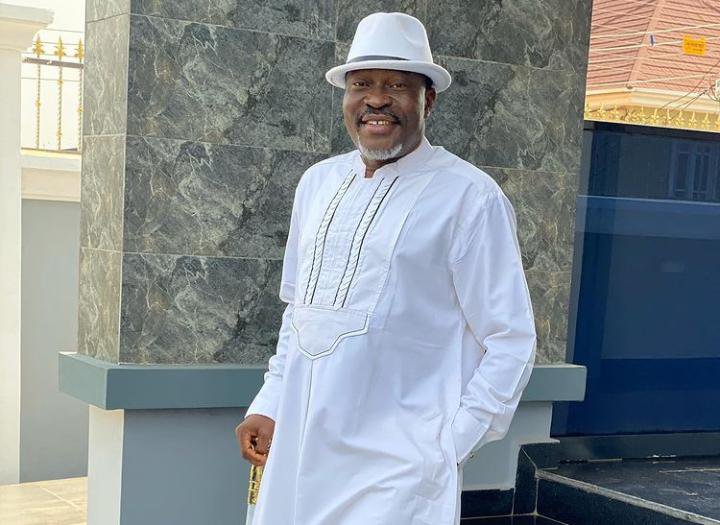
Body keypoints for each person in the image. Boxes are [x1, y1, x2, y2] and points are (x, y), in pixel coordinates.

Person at [235, 11, 537, 525]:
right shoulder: (317, 183)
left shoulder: (469, 197)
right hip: (297, 456)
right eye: (362, 85)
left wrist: (449, 443)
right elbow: (299, 313)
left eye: (397, 86)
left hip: (397, 471)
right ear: (346, 98)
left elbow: (510, 338)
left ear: (428, 100)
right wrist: (269, 403)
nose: (376, 100)